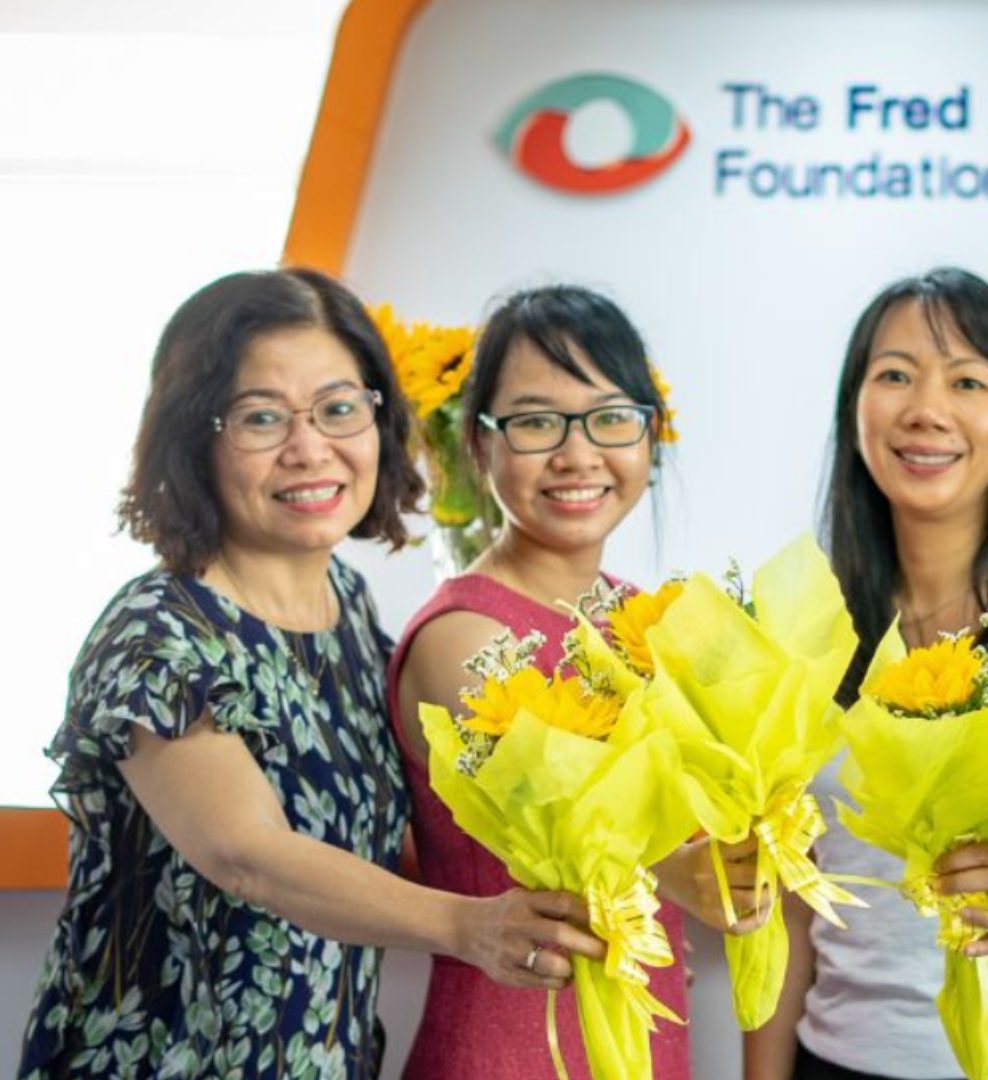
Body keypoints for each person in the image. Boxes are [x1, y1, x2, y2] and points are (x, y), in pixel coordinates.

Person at [19, 269, 606, 1080]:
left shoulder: (351, 612)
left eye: (339, 408)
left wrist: (615, 906)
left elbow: (428, 824)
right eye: (262, 418)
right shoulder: (156, 633)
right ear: (196, 438)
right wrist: (470, 926)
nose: (310, 448)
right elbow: (245, 852)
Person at [743, 268, 988, 1080]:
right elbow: (782, 897)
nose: (927, 409)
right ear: (854, 411)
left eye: (967, 380)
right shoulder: (799, 620)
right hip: (844, 1056)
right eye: (894, 375)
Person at [388, 284, 764, 1080]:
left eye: (609, 417)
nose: (578, 452)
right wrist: (681, 874)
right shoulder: (463, 636)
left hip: (641, 1042)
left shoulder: (647, 621)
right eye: (534, 422)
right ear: (479, 447)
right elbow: (570, 809)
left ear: (648, 438)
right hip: (505, 1050)